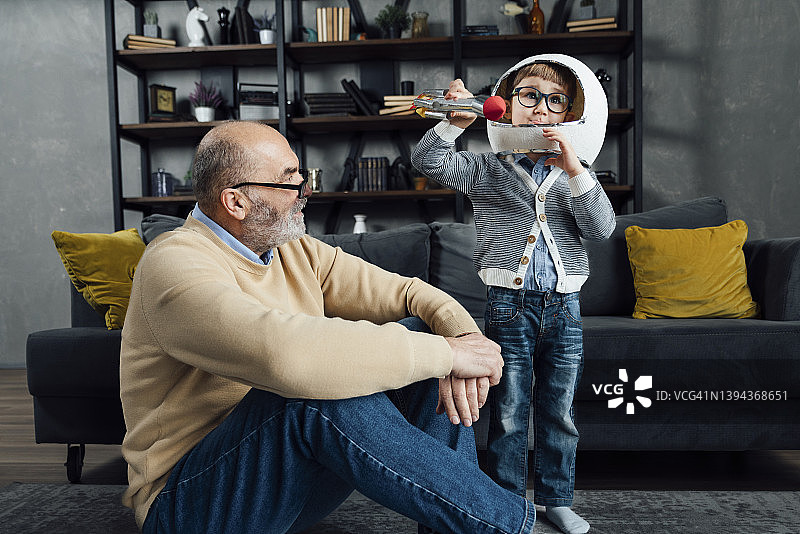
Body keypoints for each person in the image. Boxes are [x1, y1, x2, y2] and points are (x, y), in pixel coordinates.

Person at [120, 120, 539, 533]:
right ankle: (505, 526)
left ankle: (460, 528)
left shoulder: (295, 251)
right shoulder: (174, 263)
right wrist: (447, 355)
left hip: (281, 484)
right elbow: (283, 356)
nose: (305, 194)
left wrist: (462, 339)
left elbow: (412, 293)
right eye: (289, 184)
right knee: (308, 394)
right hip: (187, 504)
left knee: (422, 332)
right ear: (236, 202)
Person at [411, 57, 616, 534]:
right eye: (528, 95)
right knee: (508, 407)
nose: (540, 108)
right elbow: (428, 162)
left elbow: (602, 229)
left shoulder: (577, 174)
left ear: (570, 113)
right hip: (508, 306)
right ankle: (506, 500)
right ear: (508, 105)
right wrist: (451, 123)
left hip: (565, 308)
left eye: (555, 100)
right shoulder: (486, 169)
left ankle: (555, 498)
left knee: (559, 410)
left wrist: (574, 168)